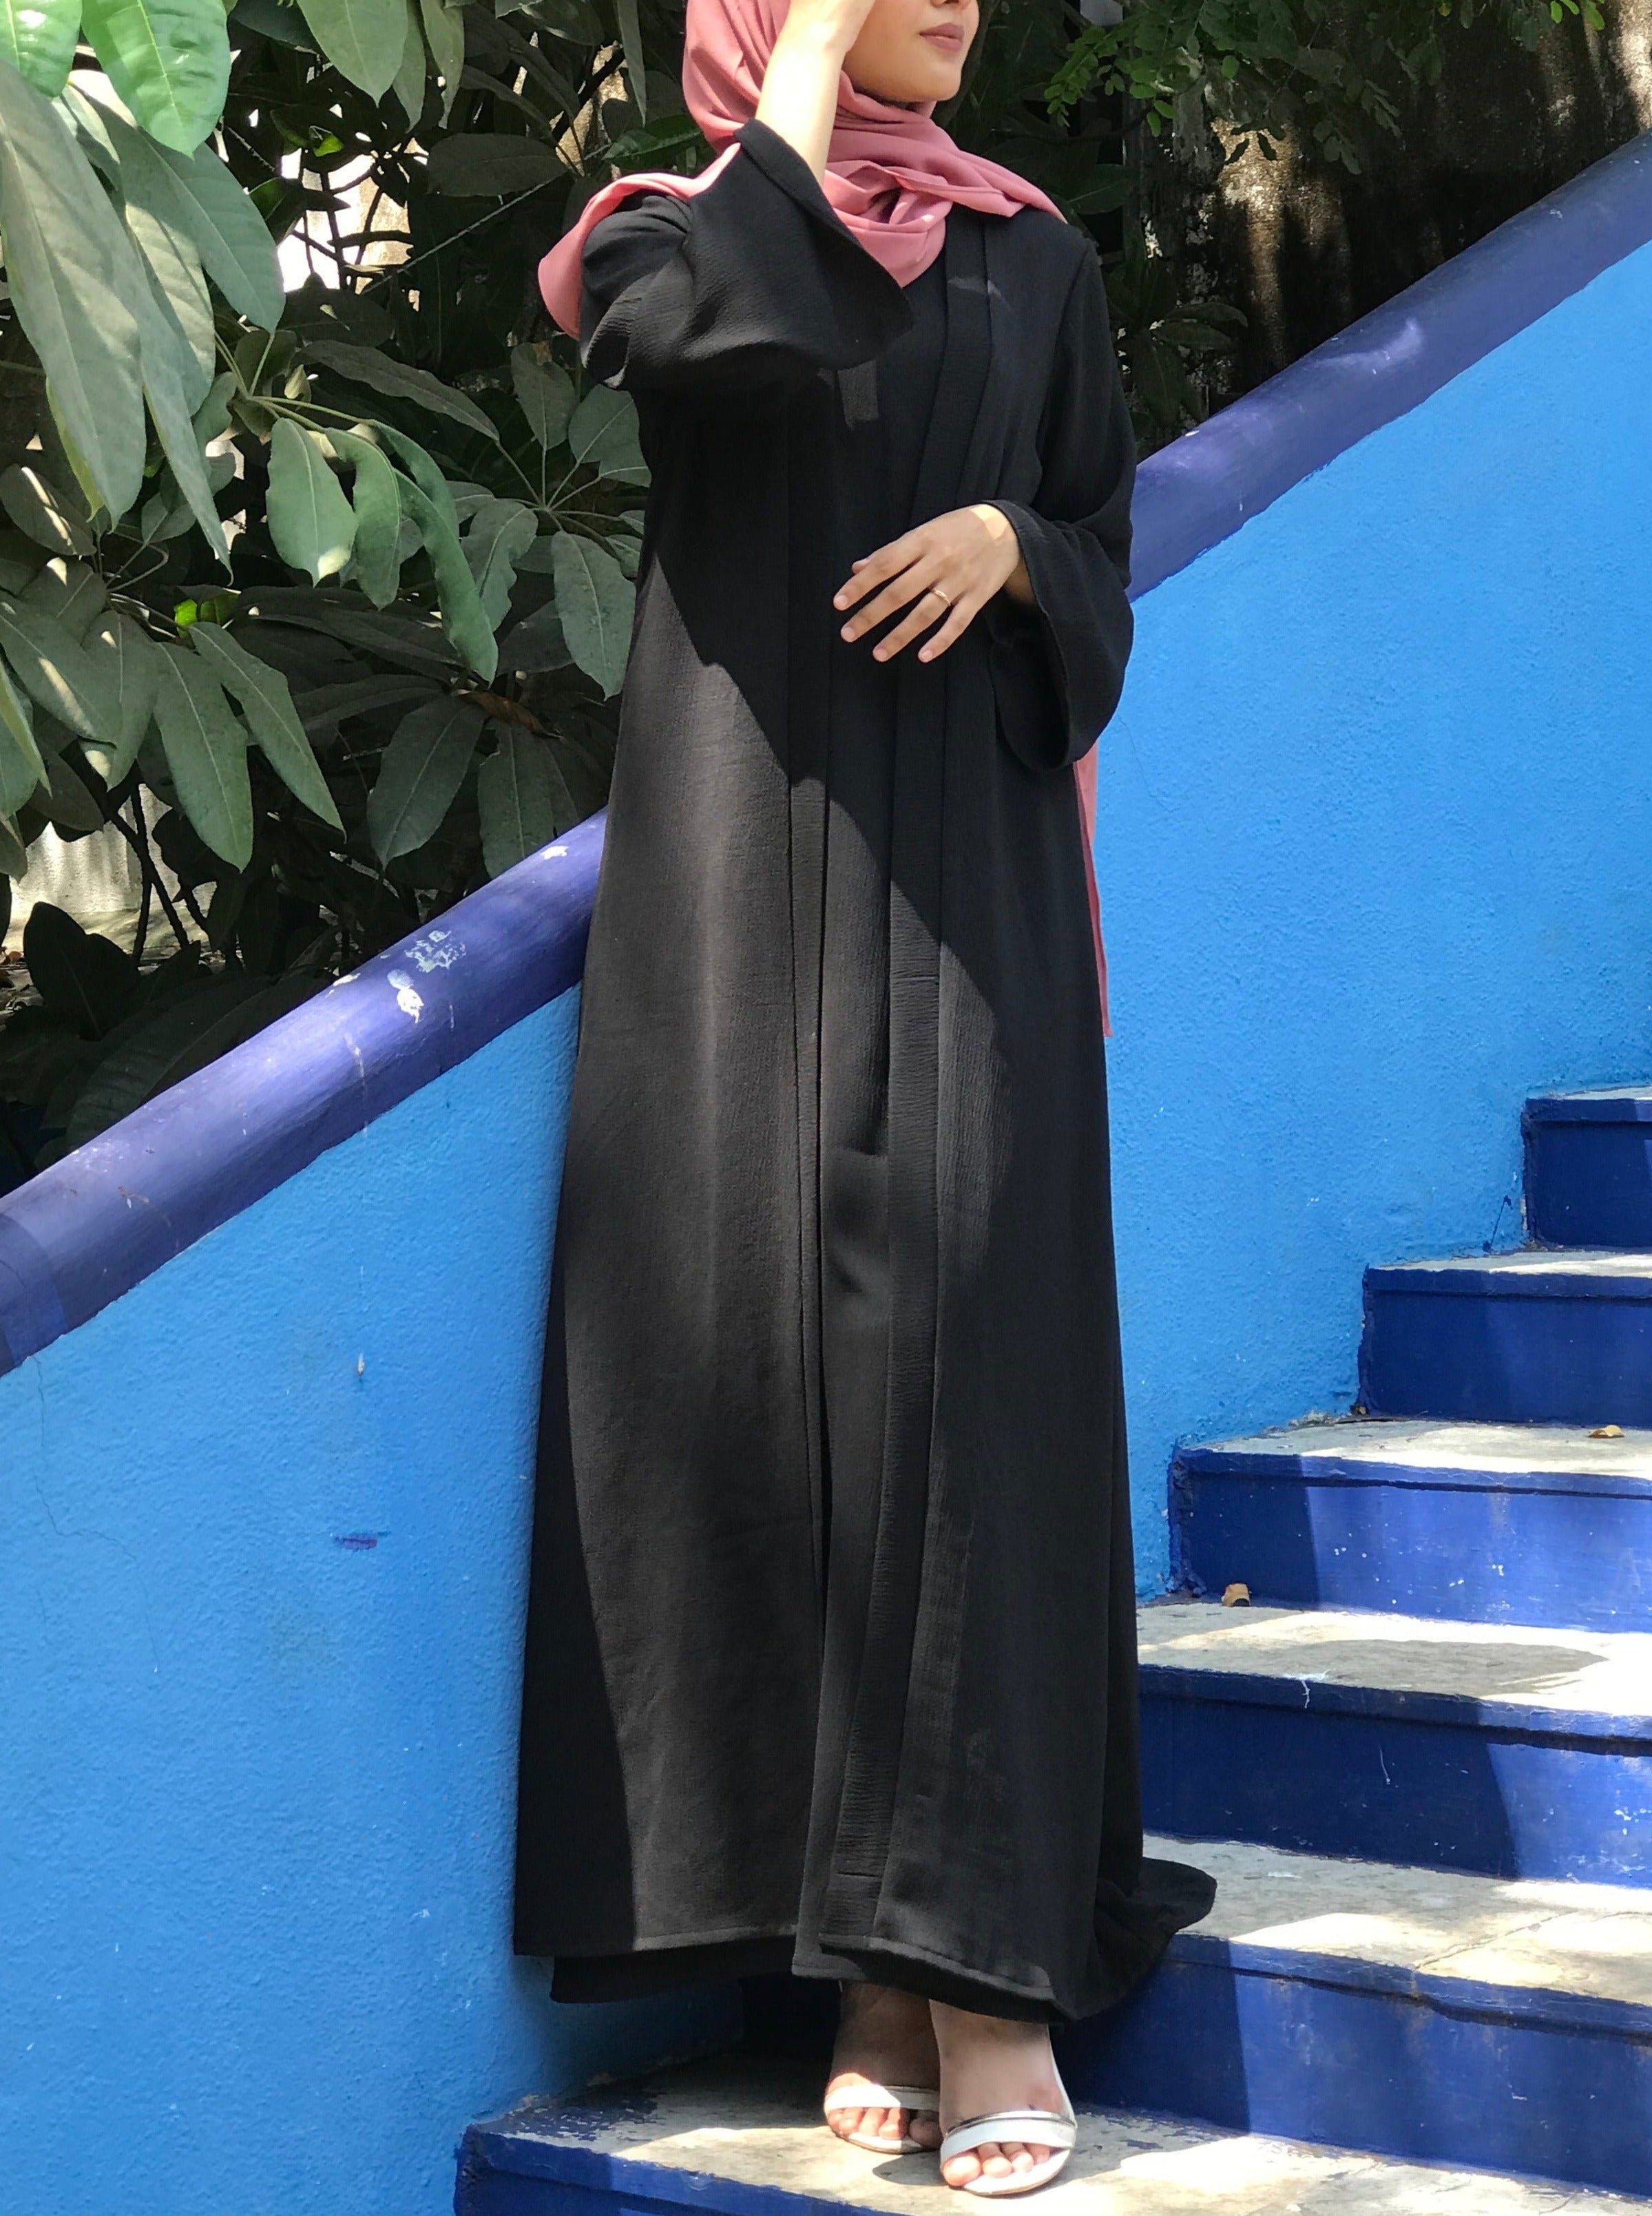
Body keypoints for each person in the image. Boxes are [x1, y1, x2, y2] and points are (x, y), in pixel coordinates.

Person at [513, 0, 1215, 2195]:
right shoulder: (663, 235)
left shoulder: (1037, 257)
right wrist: (807, 72)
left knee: (971, 1384)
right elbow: (727, 336)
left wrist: (1017, 544)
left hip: (971, 897)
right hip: (740, 896)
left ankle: (987, 1977)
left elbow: (1103, 541)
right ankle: (868, 1975)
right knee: (765, 1389)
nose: (956, 1)